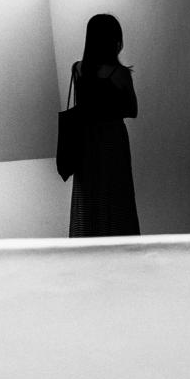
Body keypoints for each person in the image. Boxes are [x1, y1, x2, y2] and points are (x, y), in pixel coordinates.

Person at [68, 13, 139, 236]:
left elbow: (83, 105)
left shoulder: (78, 69)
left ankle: (89, 245)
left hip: (86, 141)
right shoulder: (119, 74)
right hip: (112, 140)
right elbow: (132, 110)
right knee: (116, 195)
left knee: (90, 196)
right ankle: (118, 246)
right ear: (114, 40)